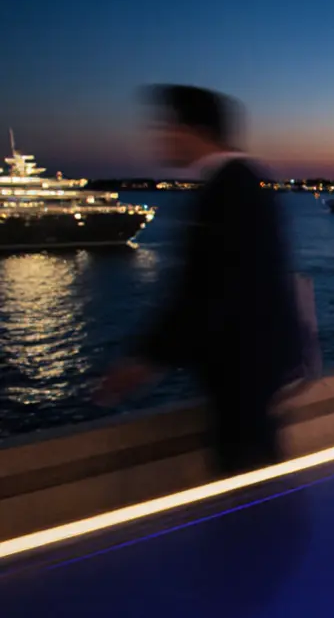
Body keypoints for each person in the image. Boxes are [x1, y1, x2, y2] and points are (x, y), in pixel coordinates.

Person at [96, 85, 305, 476]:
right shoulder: (242, 180)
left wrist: (148, 359)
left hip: (244, 370)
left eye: (167, 127)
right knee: (255, 477)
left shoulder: (230, 188)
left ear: (193, 129)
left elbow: (208, 288)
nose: (160, 137)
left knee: (248, 480)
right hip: (252, 367)